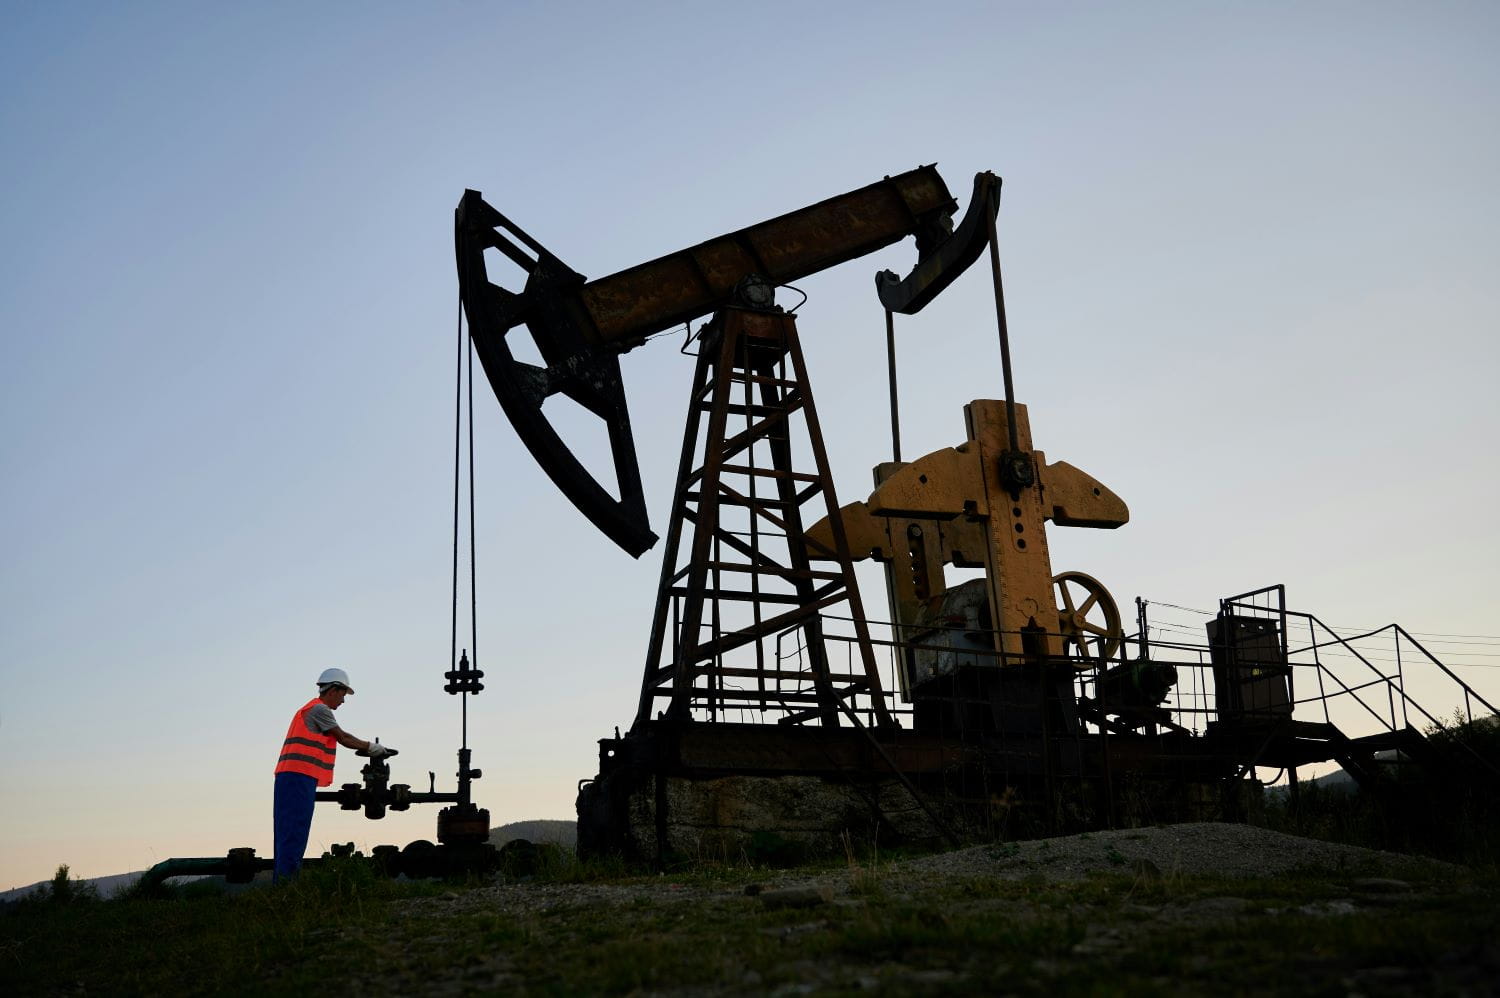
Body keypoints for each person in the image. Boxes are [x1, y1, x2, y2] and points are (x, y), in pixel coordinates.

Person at [272, 667, 392, 882]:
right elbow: (343, 737)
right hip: (298, 776)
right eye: (343, 695)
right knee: (294, 832)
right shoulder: (320, 710)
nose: (343, 701)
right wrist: (372, 748)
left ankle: (283, 884)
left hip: (294, 777)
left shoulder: (311, 709)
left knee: (288, 831)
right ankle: (285, 886)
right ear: (334, 690)